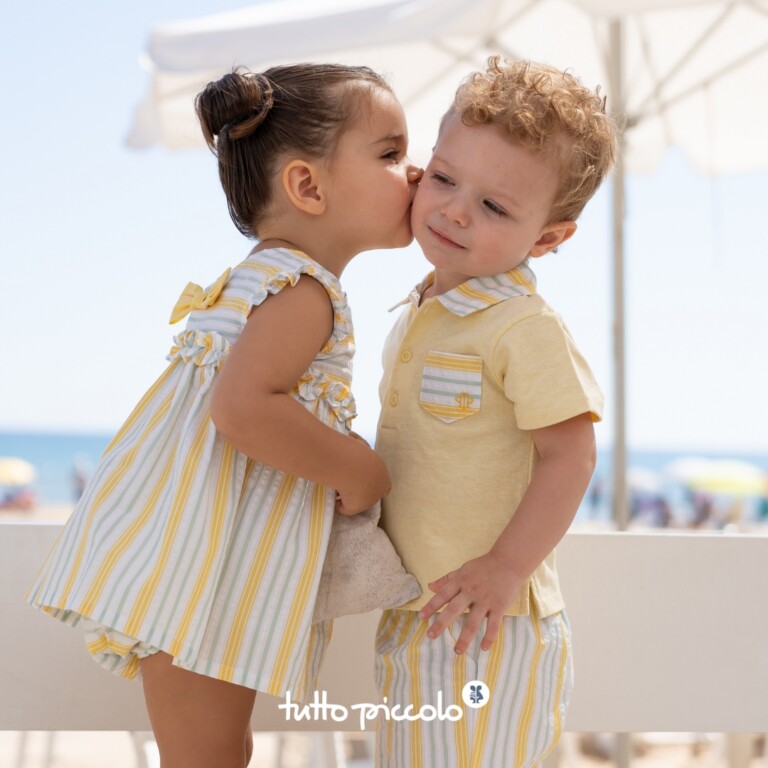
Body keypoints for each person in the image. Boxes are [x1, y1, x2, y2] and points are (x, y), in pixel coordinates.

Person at [26, 63, 421, 768]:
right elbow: (243, 409)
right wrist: (359, 469)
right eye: (390, 153)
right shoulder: (302, 289)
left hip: (196, 561)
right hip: (206, 577)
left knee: (218, 752)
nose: (414, 172)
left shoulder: (265, 278)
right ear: (307, 186)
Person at [374, 57, 618, 767]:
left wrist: (507, 566)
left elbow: (571, 455)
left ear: (547, 238)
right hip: (421, 608)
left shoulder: (520, 325)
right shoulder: (421, 313)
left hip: (488, 622)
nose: (455, 210)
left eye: (495, 207)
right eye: (444, 178)